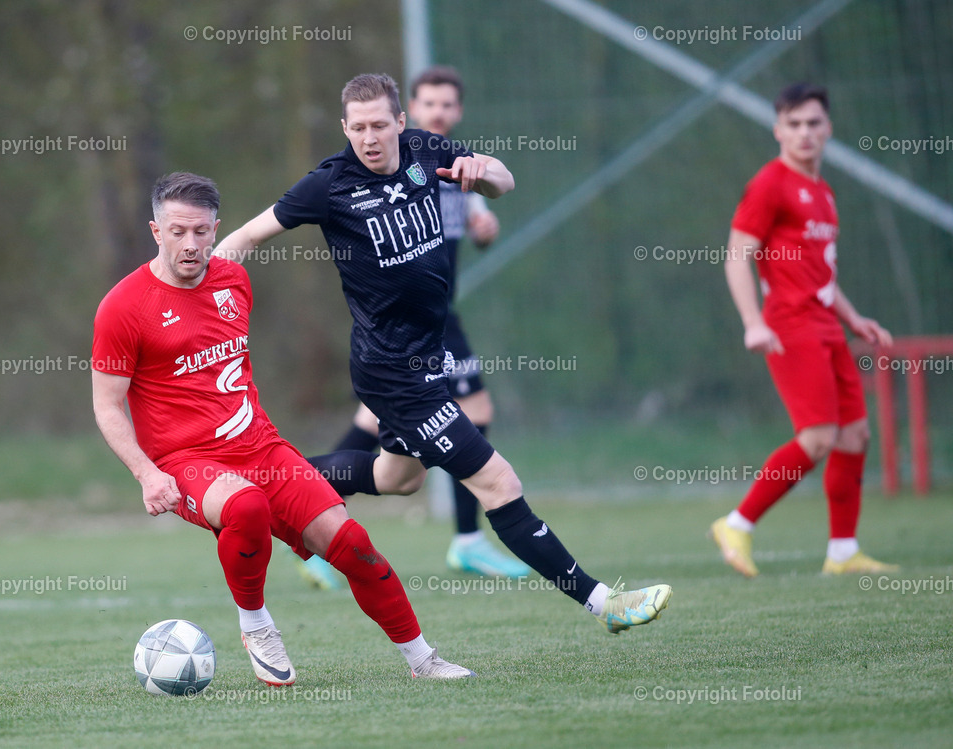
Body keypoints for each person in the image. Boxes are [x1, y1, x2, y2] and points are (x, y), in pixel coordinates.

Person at [214, 73, 672, 635]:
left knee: (397, 477)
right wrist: (202, 294)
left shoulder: (427, 150)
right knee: (498, 483)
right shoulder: (328, 185)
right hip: (392, 372)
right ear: (344, 129)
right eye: (357, 128)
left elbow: (504, 181)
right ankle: (607, 605)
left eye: (380, 124)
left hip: (427, 356)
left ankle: (266, 486)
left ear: (401, 123)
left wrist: (486, 175)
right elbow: (245, 237)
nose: (369, 137)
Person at [92, 171, 475, 685]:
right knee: (246, 506)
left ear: (216, 229)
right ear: (156, 232)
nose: (191, 244)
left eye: (202, 232)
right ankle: (256, 624)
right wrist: (146, 474)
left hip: (263, 449)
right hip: (185, 464)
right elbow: (108, 405)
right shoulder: (123, 306)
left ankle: (423, 661)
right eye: (178, 231)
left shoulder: (233, 281)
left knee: (355, 545)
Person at [329, 65, 528, 580]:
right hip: (406, 324)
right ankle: (465, 539)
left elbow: (483, 214)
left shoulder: (452, 163)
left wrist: (484, 224)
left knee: (382, 435)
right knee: (471, 408)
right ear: (409, 112)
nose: (438, 112)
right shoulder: (402, 160)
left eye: (448, 105)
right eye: (429, 104)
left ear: (457, 111)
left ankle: (313, 512)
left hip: (433, 319)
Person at [712, 83, 899, 578]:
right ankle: (737, 524)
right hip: (789, 326)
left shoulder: (823, 192)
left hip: (827, 327)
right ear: (777, 130)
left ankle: (843, 552)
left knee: (855, 435)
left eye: (813, 123)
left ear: (828, 128)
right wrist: (753, 322)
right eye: (793, 124)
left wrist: (854, 318)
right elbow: (737, 257)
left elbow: (822, 277)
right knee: (817, 437)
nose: (804, 133)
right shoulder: (770, 184)